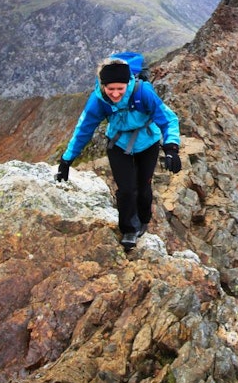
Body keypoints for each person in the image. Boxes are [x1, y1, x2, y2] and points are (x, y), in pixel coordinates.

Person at [56, 53, 181, 248]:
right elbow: (83, 130)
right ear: (102, 85)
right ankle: (129, 230)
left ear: (128, 83)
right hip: (118, 143)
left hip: (148, 142)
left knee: (144, 187)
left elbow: (169, 119)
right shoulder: (98, 101)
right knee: (126, 190)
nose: (115, 94)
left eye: (119, 89)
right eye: (110, 89)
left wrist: (171, 147)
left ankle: (144, 220)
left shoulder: (143, 93)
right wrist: (67, 160)